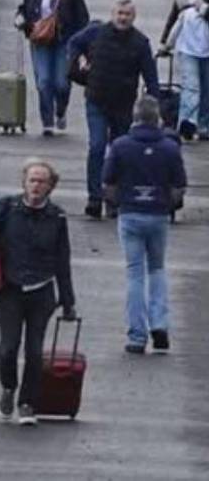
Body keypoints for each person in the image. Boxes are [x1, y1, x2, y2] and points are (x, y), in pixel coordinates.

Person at [0, 160, 76, 426]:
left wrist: (68, 301)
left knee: (35, 352)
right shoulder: (6, 208)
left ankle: (27, 403)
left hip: (41, 292)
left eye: (42, 181)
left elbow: (62, 260)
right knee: (8, 348)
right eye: (32, 180)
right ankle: (8, 388)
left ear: (51, 186)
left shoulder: (57, 217)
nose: (36, 186)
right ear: (23, 182)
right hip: (10, 290)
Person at [102, 96, 186, 354]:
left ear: (134, 117)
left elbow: (107, 183)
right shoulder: (170, 148)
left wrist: (120, 203)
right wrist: (166, 205)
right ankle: (159, 324)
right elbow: (179, 187)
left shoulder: (120, 146)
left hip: (130, 214)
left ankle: (137, 335)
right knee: (157, 270)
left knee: (134, 273)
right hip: (158, 215)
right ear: (157, 118)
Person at [67, 0, 161, 218]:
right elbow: (74, 43)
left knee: (120, 151)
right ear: (113, 14)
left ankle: (114, 197)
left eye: (127, 14)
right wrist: (78, 60)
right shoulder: (96, 33)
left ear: (133, 17)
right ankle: (94, 197)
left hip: (124, 104)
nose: (123, 18)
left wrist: (155, 109)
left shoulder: (140, 43)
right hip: (96, 99)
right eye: (120, 13)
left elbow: (151, 77)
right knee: (97, 146)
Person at [14, 0, 90, 136]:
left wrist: (82, 47)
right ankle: (47, 121)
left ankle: (61, 111)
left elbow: (82, 16)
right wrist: (22, 20)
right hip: (40, 39)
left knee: (62, 83)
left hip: (65, 40)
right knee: (44, 81)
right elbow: (26, 6)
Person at [159, 0, 209, 140]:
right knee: (191, 88)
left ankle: (203, 124)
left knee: (207, 90)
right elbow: (175, 22)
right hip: (188, 50)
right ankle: (186, 123)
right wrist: (166, 44)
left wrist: (204, 9)